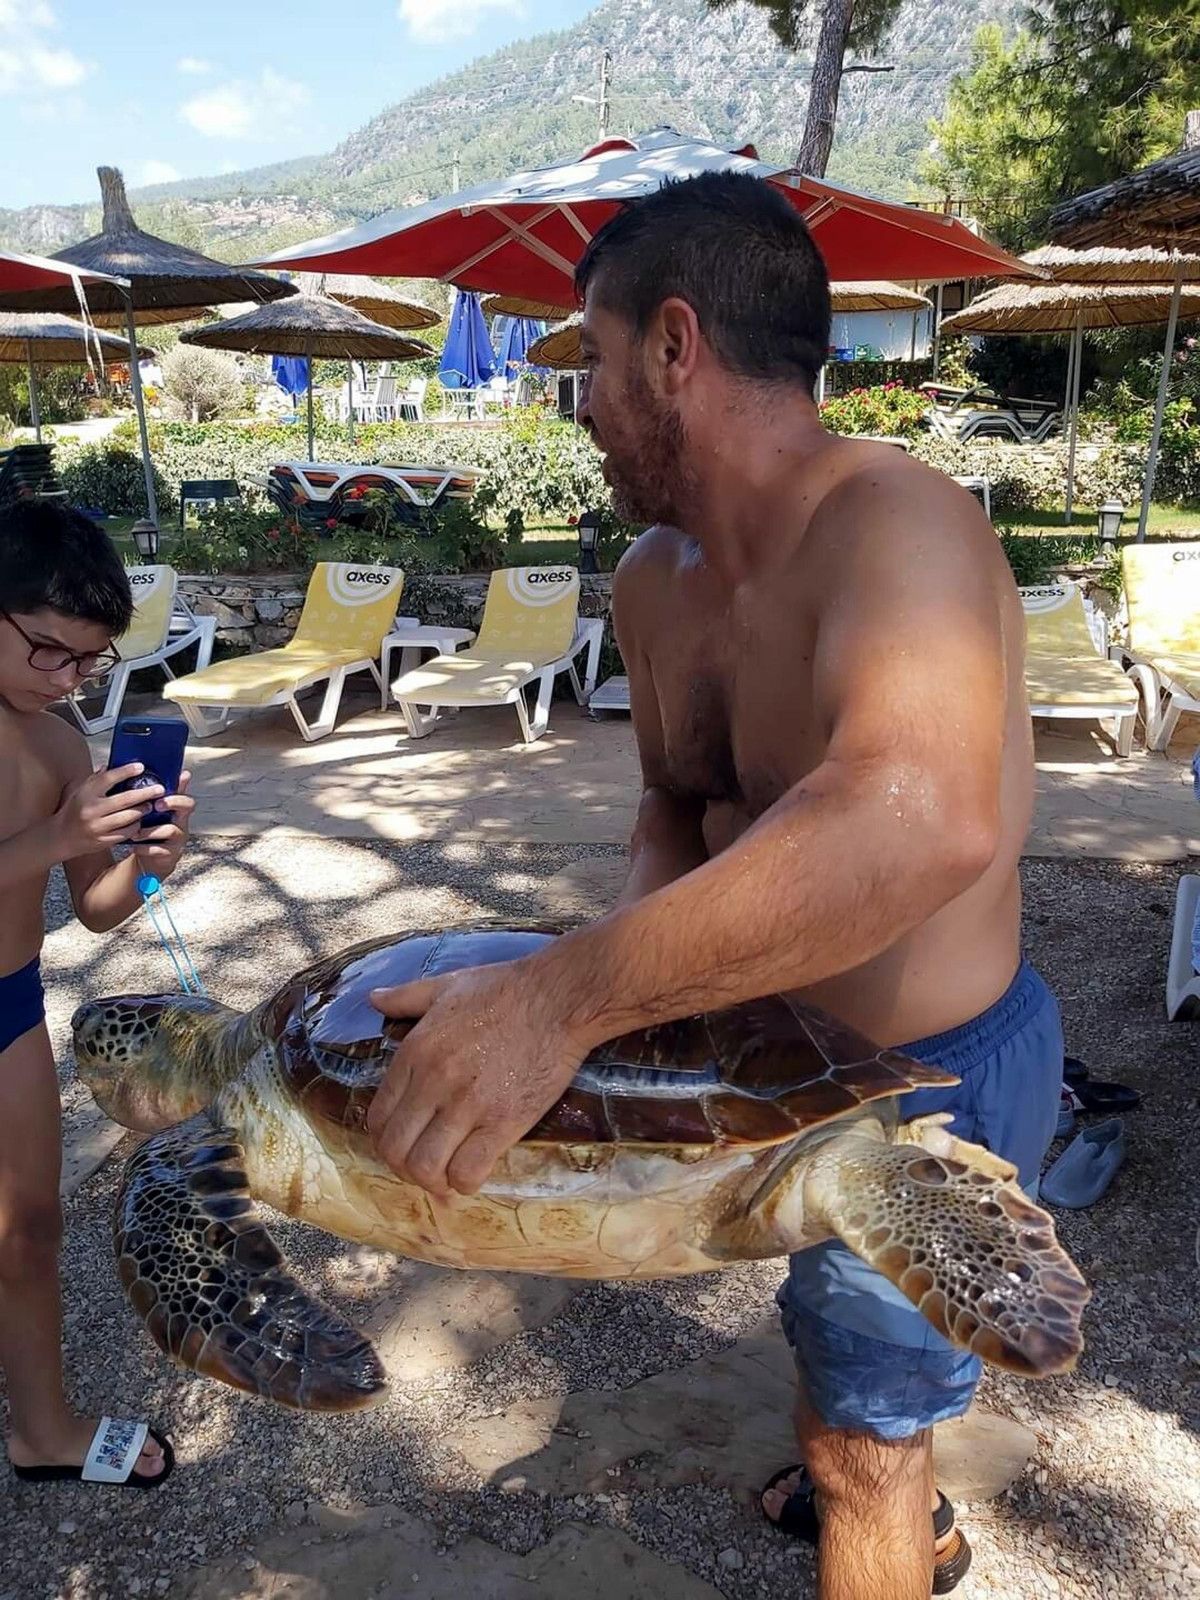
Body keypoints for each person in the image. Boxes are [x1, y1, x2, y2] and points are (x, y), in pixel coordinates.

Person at [366, 172, 1061, 1599]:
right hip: (744, 1047)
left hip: (921, 1079)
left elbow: (915, 823)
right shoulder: (651, 580)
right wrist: (629, 997)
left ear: (673, 347)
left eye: (594, 365)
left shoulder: (898, 525)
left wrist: (558, 999)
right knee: (846, 1377)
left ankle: (884, 1491)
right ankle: (890, 1475)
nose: (585, 405)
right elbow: (677, 802)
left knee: (860, 1444)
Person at [0, 501, 194, 1490]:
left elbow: (97, 909)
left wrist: (152, 863)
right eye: (49, 652)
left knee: (27, 1228)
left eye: (88, 663)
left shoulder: (61, 744)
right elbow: (46, 854)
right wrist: (55, 839)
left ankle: (42, 1431)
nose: (69, 680)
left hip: (7, 1007)